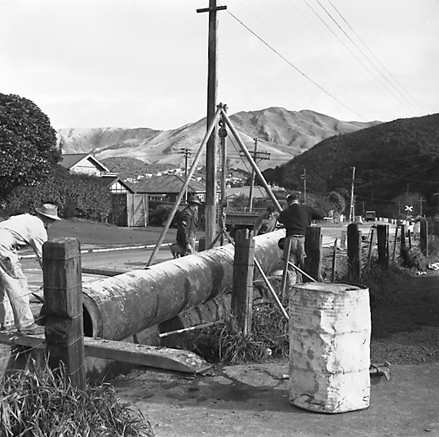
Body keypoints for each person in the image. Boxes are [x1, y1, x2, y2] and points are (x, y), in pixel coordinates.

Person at [0, 203, 61, 334]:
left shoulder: (24, 218)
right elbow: (44, 257)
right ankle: (26, 324)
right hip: (2, 247)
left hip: (3, 242)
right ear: (50, 220)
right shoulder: (39, 229)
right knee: (18, 283)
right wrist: (52, 279)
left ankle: (6, 322)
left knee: (3, 285)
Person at [277, 192, 326, 284]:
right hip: (303, 240)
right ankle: (308, 286)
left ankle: (291, 290)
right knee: (305, 266)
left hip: (290, 240)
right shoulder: (306, 209)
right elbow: (322, 214)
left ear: (288, 202)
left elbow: (279, 219)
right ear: (298, 201)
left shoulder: (285, 212)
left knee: (291, 268)